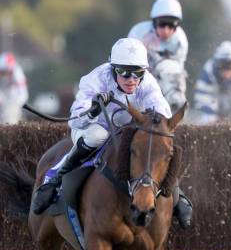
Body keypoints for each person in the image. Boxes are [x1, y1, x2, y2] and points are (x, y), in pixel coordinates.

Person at [31, 38, 193, 228]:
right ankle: (54, 178)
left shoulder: (148, 83)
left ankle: (176, 192)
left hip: (127, 131)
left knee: (154, 143)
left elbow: (162, 114)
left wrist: (159, 124)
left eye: (137, 73)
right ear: (112, 68)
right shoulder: (95, 79)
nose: (131, 80)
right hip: (91, 128)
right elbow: (75, 119)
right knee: (98, 136)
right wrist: (93, 110)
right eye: (124, 73)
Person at [194, 41, 231, 124]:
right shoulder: (209, 69)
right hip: (214, 98)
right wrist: (211, 114)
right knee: (207, 120)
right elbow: (202, 95)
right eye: (224, 67)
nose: (227, 72)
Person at [128, 0, 189, 71]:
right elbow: (128, 64)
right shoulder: (138, 34)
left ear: (177, 25)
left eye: (171, 25)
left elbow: (178, 70)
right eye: (162, 24)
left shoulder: (180, 41)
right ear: (154, 23)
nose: (166, 31)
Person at [0, 52, 28, 124]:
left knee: (9, 120)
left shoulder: (16, 72)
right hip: (5, 102)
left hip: (14, 102)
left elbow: (22, 90)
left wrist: (19, 102)